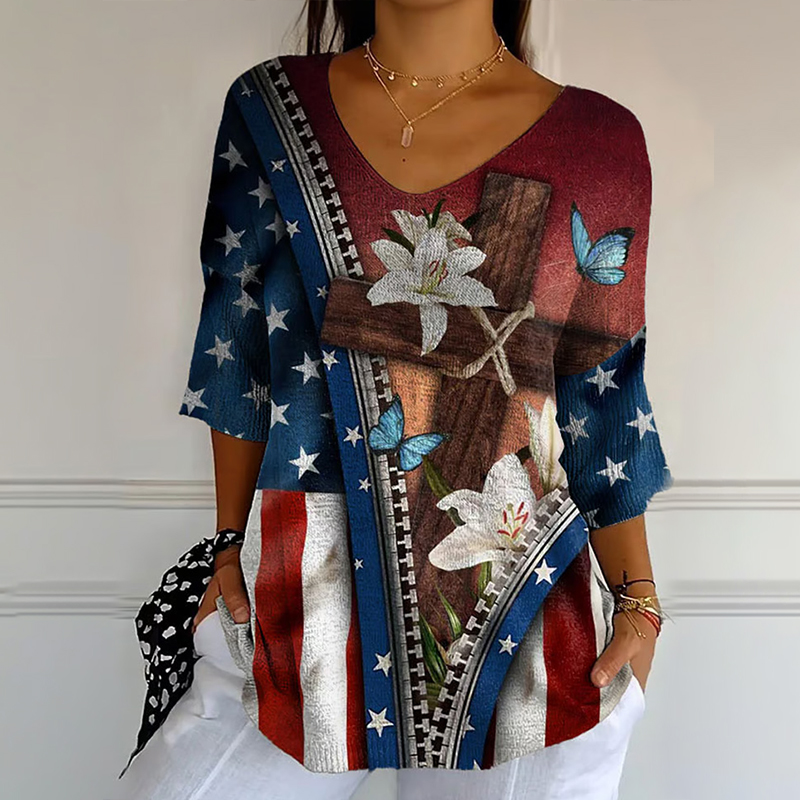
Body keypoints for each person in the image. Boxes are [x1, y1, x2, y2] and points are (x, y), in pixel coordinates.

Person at [117, 1, 672, 798]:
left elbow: (605, 395)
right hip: (291, 610)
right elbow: (237, 353)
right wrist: (229, 546)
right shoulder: (269, 111)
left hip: (532, 638)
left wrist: (640, 603)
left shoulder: (600, 140)